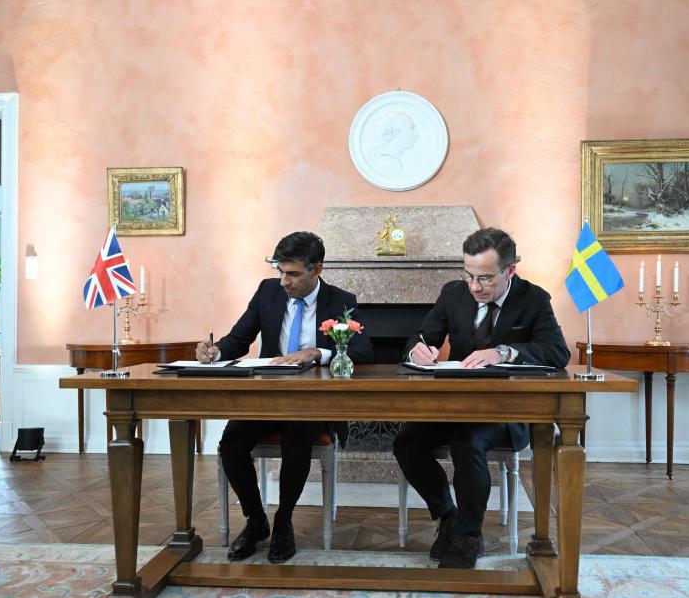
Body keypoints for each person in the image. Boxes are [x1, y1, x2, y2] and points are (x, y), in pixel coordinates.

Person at [393, 227, 569, 569]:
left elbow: (556, 352)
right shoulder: (453, 294)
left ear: (510, 271)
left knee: (467, 442)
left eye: (485, 279)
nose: (475, 287)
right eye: (469, 275)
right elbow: (420, 335)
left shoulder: (534, 300)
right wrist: (420, 348)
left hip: (507, 411)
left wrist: (502, 352)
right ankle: (449, 515)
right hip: (454, 404)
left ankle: (470, 536)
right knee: (406, 443)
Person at [196, 231, 374, 563]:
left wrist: (317, 352)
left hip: (314, 402)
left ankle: (284, 521)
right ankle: (256, 519)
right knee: (231, 443)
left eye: (292, 273)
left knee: (297, 436)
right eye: (280, 271)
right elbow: (239, 338)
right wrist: (215, 350)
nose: (283, 281)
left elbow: (363, 349)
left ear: (316, 269)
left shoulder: (340, 301)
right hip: (267, 397)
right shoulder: (267, 292)